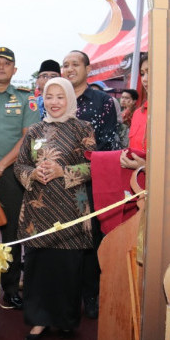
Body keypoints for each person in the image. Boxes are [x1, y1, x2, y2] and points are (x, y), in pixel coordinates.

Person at [14, 77, 96, 340]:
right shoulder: (35, 131)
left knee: (67, 269)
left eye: (60, 97)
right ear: (43, 99)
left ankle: (64, 320)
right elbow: (20, 166)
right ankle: (38, 320)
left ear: (70, 98)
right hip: (38, 213)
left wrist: (65, 171)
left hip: (71, 211)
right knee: (38, 267)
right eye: (50, 97)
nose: (55, 102)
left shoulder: (83, 129)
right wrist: (33, 174)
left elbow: (95, 166)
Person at [0, 47, 41, 310]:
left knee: (12, 231)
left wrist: (0, 166)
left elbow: (28, 137)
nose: (1, 67)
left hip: (11, 174)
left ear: (15, 70)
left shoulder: (27, 99)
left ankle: (11, 288)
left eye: (6, 64)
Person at [62, 50, 120, 319]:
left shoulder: (103, 101)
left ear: (88, 68)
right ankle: (67, 297)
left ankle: (92, 294)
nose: (69, 68)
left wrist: (81, 168)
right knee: (67, 239)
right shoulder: (56, 99)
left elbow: (110, 144)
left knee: (93, 240)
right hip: (59, 185)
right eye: (65, 65)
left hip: (92, 182)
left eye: (75, 64)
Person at [121, 55, 148, 169]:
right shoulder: (138, 114)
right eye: (142, 74)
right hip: (134, 183)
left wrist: (147, 168)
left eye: (149, 72)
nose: (145, 79)